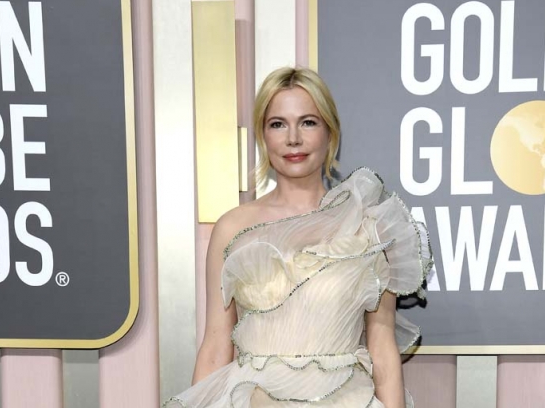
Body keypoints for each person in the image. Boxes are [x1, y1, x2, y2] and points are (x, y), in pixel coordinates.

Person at [164, 67, 432, 408]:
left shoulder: (368, 227)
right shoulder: (233, 229)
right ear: (263, 135)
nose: (293, 138)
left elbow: (382, 348)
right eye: (278, 124)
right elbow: (216, 346)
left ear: (330, 132)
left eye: (308, 122)